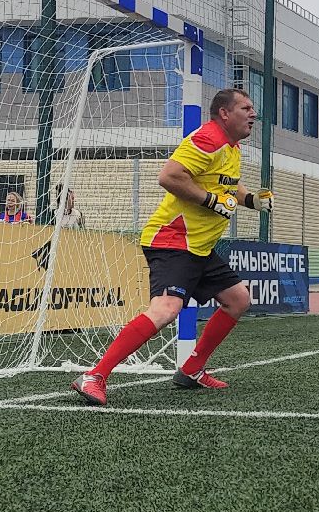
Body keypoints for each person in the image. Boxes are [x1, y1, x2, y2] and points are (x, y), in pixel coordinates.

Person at [72, 88, 273, 405]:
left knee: (238, 299)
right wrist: (211, 201)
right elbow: (169, 176)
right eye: (246, 108)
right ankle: (93, 376)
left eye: (253, 109)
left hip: (199, 247)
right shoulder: (208, 139)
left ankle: (191, 369)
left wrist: (251, 200)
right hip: (173, 240)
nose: (253, 114)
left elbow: (228, 185)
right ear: (224, 113)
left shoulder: (231, 148)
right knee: (166, 310)